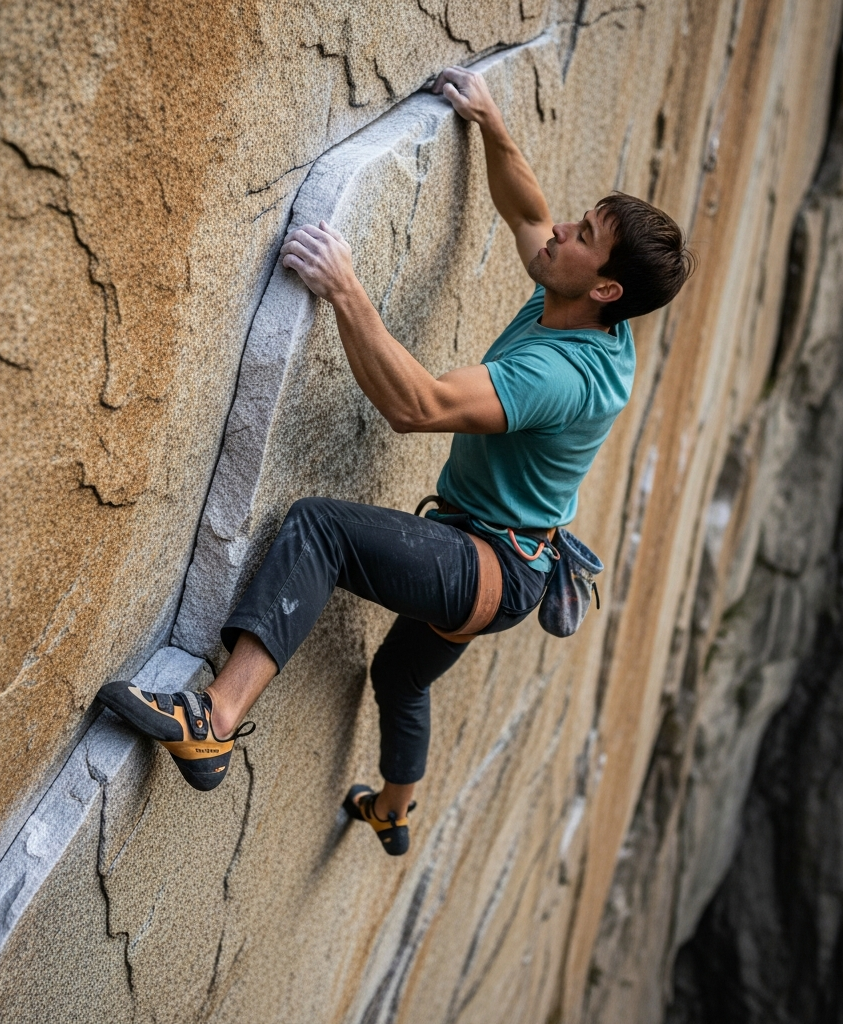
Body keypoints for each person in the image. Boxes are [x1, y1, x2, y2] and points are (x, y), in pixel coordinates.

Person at [97, 65, 694, 856]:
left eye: (583, 237)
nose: (561, 234)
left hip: (489, 564)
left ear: (608, 289)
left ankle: (211, 723)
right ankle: (394, 808)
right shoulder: (575, 298)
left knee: (319, 529)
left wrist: (347, 290)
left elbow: (420, 407)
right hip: (515, 560)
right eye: (578, 223)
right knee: (401, 678)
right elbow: (528, 210)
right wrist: (489, 120)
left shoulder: (561, 374)